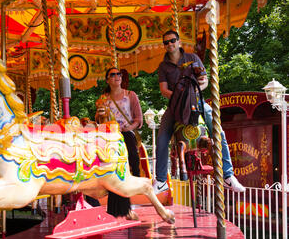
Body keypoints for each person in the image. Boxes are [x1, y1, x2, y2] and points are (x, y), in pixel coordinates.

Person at [153, 30, 245, 194]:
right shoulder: (163, 66)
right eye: (166, 42)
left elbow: (204, 81)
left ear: (179, 42)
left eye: (172, 40)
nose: (169, 44)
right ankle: (161, 180)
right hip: (175, 105)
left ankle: (228, 175)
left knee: (217, 129)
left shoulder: (192, 58)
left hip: (196, 101)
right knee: (161, 136)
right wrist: (179, 97)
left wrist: (193, 91)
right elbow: (163, 89)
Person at [96, 67, 143, 220]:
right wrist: (100, 114)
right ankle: (114, 206)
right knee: (108, 167)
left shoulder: (130, 95)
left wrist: (130, 127)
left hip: (125, 132)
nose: (117, 76)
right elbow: (98, 119)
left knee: (132, 163)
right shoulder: (103, 99)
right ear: (107, 79)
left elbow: (138, 119)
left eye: (119, 74)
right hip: (110, 135)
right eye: (113, 74)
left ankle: (129, 200)